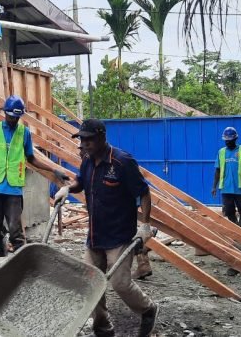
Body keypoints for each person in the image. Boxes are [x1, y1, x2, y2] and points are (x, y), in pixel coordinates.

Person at [54, 119, 158, 337]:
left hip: (119, 235)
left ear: (102, 137)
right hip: (95, 236)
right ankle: (102, 327)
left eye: (89, 139)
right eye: (82, 139)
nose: (84, 144)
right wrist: (68, 189)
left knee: (120, 284)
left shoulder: (122, 162)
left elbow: (144, 193)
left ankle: (148, 309)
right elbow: (80, 182)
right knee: (90, 283)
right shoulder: (87, 160)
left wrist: (146, 225)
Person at [0, 95, 67, 256]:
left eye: (17, 117)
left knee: (15, 230)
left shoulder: (24, 133)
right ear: (5, 113)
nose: (14, 120)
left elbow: (31, 159)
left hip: (13, 189)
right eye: (11, 116)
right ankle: (0, 257)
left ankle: (20, 263)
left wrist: (53, 170)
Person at [211, 127, 241, 228]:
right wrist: (214, 186)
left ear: (235, 139)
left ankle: (240, 226)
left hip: (239, 188)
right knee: (229, 211)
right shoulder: (221, 152)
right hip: (226, 188)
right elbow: (217, 170)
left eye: (230, 140)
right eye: (226, 140)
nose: (227, 142)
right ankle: (236, 228)